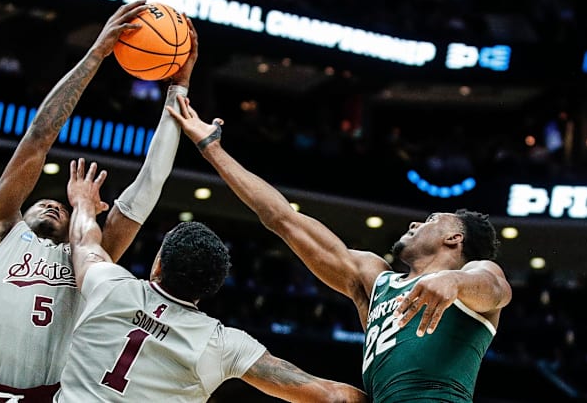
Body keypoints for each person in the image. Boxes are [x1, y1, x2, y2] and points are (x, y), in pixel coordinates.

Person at [165, 96, 514, 402]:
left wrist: (455, 282)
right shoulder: (374, 280)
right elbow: (281, 218)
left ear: (455, 239)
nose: (414, 224)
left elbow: (497, 290)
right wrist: (212, 149)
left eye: (431, 219)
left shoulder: (474, 278)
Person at [0, 1, 199, 401]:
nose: (53, 204)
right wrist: (96, 54)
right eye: (44, 201)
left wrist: (177, 91)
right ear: (19, 213)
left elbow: (148, 186)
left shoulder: (91, 259)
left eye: (62, 205)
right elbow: (38, 137)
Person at [55, 158, 368, 402]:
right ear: (213, 287)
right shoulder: (221, 344)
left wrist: (83, 201)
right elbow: (330, 396)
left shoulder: (109, 284)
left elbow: (84, 241)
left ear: (158, 264)